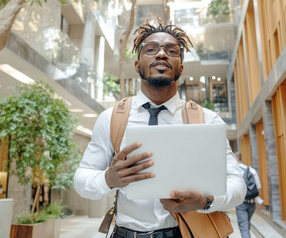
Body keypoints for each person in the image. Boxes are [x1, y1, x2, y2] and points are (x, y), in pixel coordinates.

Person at [74, 17, 246, 238]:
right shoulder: (111, 119)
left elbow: (237, 184)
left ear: (180, 69)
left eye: (172, 51)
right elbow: (82, 178)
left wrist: (206, 200)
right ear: (137, 65)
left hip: (184, 233)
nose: (162, 54)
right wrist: (108, 179)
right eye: (151, 49)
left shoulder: (207, 120)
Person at [235, 152, 262, 238]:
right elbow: (258, 186)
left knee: (244, 227)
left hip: (241, 204)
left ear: (237, 159)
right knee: (246, 225)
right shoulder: (251, 170)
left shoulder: (235, 172)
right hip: (252, 204)